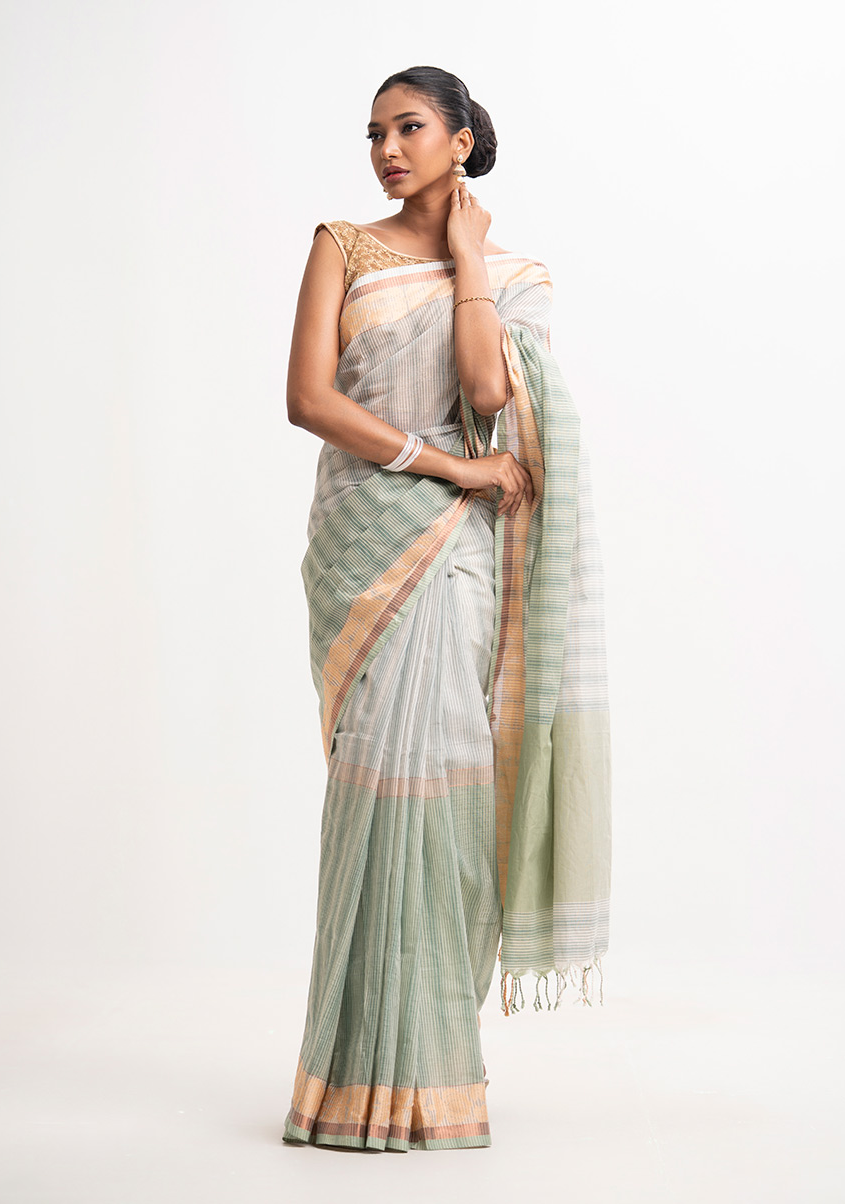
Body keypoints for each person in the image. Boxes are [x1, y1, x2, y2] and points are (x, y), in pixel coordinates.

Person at [282, 65, 612, 1153]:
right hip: (366, 548)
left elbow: (485, 391)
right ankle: (347, 1081)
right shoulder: (342, 246)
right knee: (372, 797)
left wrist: (468, 260)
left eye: (410, 127)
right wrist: (453, 470)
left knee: (446, 805)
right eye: (375, 132)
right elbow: (309, 400)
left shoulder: (516, 276)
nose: (387, 149)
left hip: (455, 566)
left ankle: (432, 1073)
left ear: (462, 140)